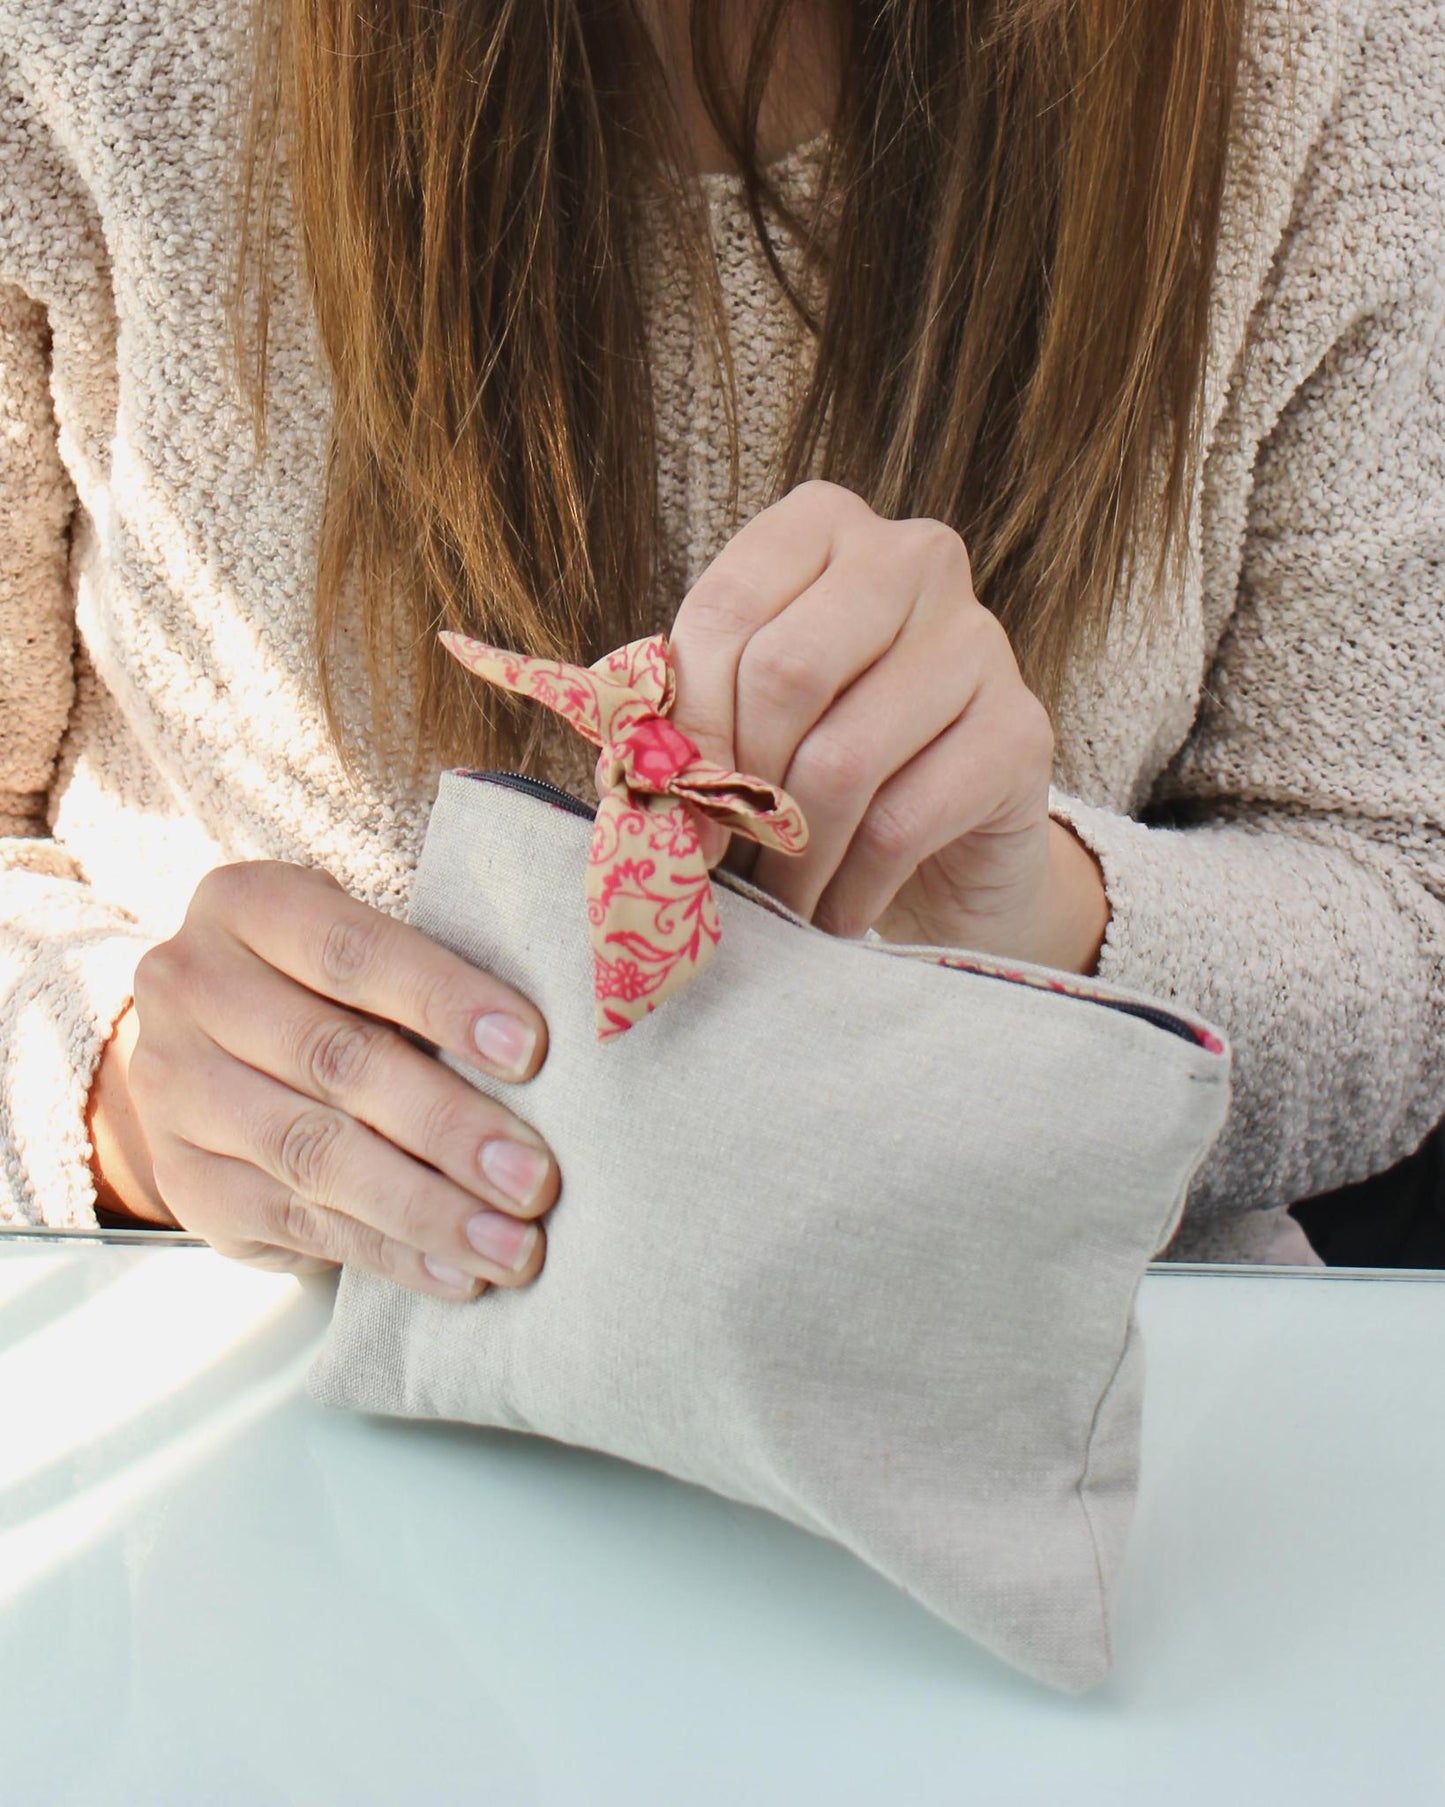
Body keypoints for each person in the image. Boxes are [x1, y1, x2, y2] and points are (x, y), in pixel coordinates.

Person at [0, 0, 1440, 1284]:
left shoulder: (1328, 57)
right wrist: (116, 1085)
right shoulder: (80, 43)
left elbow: (1402, 927)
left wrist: (1049, 929)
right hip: (257, 1399)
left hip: (1046, 1387)